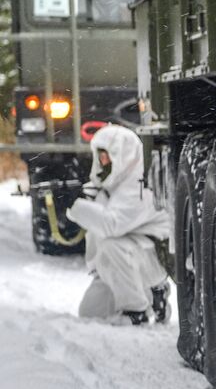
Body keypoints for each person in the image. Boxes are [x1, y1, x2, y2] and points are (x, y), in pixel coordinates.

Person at [67, 124, 171, 324]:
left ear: (122, 154)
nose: (102, 161)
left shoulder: (142, 185)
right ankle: (147, 296)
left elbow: (111, 225)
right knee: (90, 313)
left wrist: (76, 205)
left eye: (106, 155)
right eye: (100, 156)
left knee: (111, 246)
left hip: (153, 257)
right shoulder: (115, 182)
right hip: (124, 259)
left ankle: (138, 310)